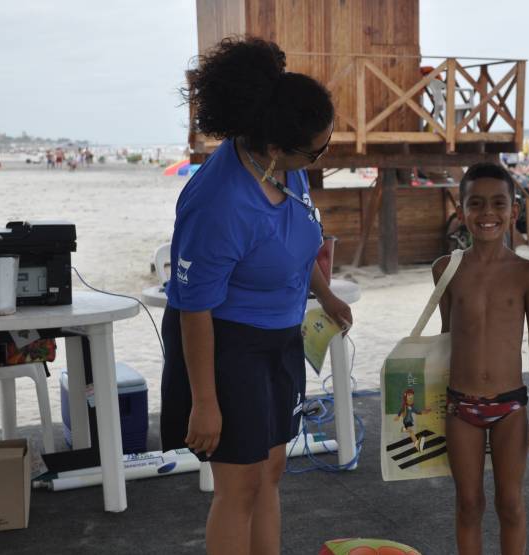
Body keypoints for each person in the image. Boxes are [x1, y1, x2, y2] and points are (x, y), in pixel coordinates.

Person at [159, 37, 352, 554]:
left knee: (271, 469)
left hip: (280, 338)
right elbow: (193, 309)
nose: (320, 158)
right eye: (317, 151)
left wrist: (325, 294)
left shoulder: (287, 168)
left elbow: (295, 241)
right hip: (225, 345)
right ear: (273, 147)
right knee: (238, 485)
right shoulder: (218, 203)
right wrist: (205, 404)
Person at [431, 162, 529, 555]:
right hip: (459, 404)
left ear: (514, 211)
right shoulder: (446, 270)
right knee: (468, 504)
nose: (487, 214)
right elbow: (448, 338)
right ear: (461, 210)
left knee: (510, 504)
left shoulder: (527, 273)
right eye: (476, 204)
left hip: (511, 406)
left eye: (498, 203)